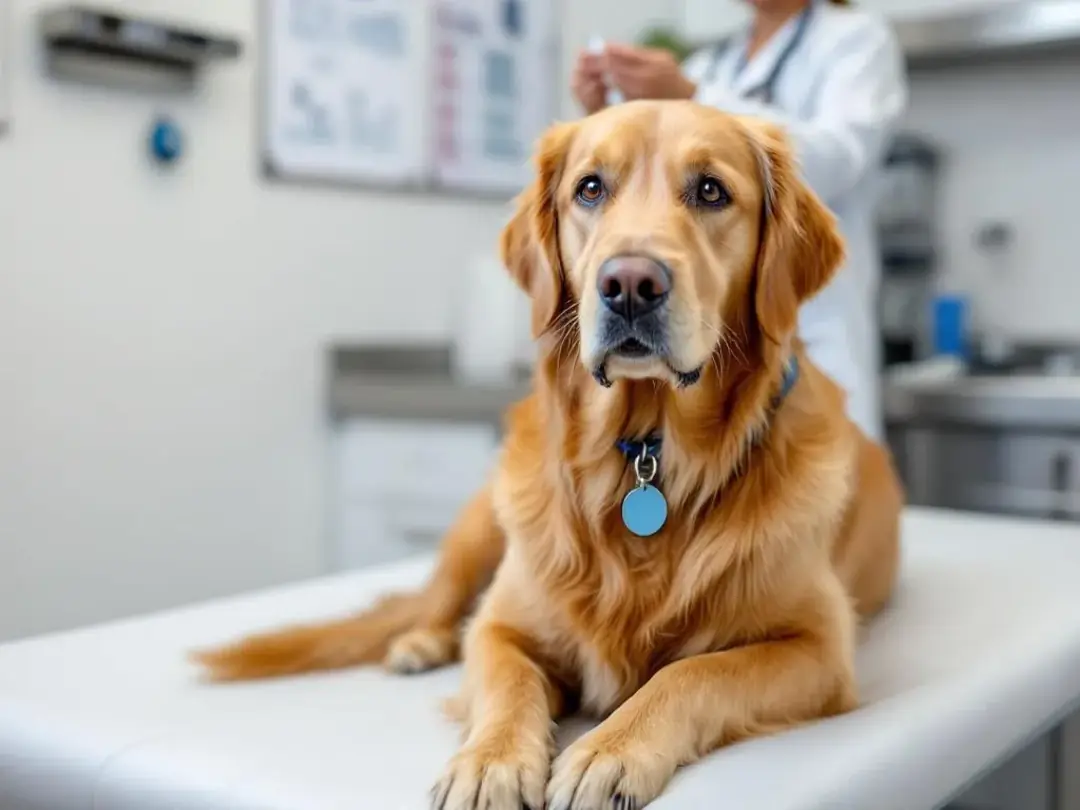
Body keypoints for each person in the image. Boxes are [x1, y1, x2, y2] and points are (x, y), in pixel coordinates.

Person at [570, 0, 908, 441]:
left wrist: (693, 97)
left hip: (820, 335)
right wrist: (603, 113)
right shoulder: (713, 63)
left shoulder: (855, 40)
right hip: (715, 353)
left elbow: (839, 158)